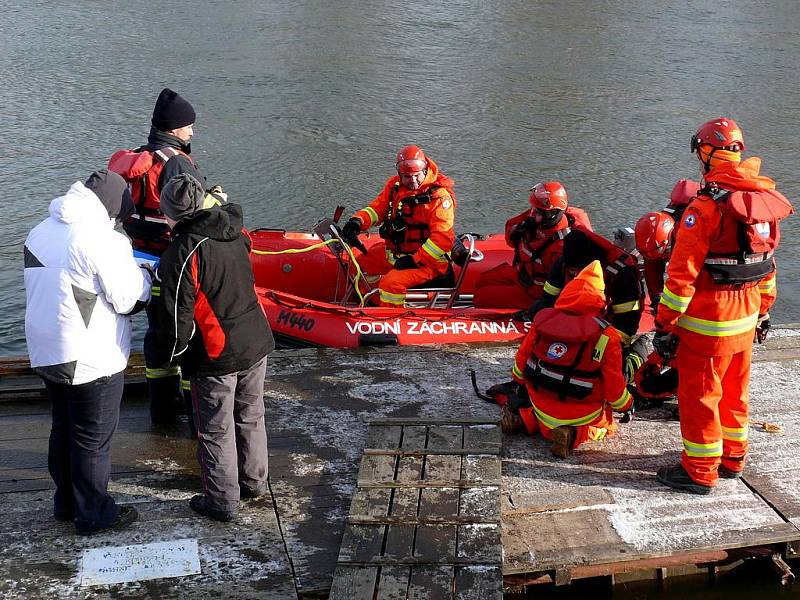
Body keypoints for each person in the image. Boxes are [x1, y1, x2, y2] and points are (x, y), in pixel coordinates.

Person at [654, 117, 793, 494]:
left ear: (707, 153)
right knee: (735, 390)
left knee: (701, 395)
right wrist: (764, 310)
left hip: (707, 321)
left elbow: (681, 274)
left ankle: (700, 470)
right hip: (746, 318)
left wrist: (665, 325)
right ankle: (733, 458)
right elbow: (767, 266)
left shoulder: (706, 207)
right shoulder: (759, 203)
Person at [24, 170, 151, 534]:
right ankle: (93, 514)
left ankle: (65, 503)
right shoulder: (102, 240)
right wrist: (145, 275)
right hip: (89, 356)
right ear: (112, 208)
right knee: (92, 440)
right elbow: (128, 298)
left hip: (45, 348)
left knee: (62, 428)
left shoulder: (40, 230)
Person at [146, 173, 275, 521]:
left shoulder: (182, 251)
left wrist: (169, 355)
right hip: (255, 340)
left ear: (173, 214)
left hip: (217, 354)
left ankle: (221, 501)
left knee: (215, 428)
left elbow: (176, 318)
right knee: (251, 415)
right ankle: (254, 481)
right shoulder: (234, 233)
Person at [108, 87, 205, 426]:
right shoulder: (176, 162)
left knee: (157, 335)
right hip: (172, 262)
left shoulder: (138, 159)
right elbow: (193, 212)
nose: (192, 132)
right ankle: (197, 414)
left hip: (139, 262)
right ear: (176, 128)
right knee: (187, 336)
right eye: (189, 126)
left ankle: (163, 409)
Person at [504, 261, 632, 457]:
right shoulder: (608, 336)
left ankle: (524, 419)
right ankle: (572, 435)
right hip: (582, 412)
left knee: (543, 415)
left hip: (540, 403)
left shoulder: (543, 320)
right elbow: (614, 391)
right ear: (600, 300)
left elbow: (521, 361)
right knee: (607, 427)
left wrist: (519, 382)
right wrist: (628, 404)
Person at [340, 145, 456, 306]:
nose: (413, 181)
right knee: (358, 265)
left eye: (416, 176)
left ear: (425, 170)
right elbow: (377, 209)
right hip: (397, 254)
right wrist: (357, 222)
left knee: (390, 284)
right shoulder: (395, 187)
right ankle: (372, 304)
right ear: (400, 174)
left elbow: (441, 240)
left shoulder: (439, 198)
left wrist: (415, 260)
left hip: (428, 263)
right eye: (407, 177)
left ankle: (389, 320)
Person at [528, 226, 647, 382]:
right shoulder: (563, 263)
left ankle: (638, 353)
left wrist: (594, 350)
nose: (576, 276)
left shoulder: (622, 273)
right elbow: (546, 303)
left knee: (606, 377)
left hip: (606, 330)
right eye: (572, 272)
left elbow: (625, 327)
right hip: (575, 325)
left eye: (579, 271)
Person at [473, 181, 592, 309]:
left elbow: (565, 290)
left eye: (538, 212)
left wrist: (539, 309)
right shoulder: (536, 221)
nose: (532, 214)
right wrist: (518, 229)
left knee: (481, 296)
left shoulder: (563, 247)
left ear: (552, 215)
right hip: (521, 275)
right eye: (533, 209)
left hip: (534, 294)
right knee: (481, 281)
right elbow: (510, 239)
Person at [635, 179, 701, 312]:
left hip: (698, 254)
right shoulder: (654, 234)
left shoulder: (690, 236)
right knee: (653, 261)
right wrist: (656, 299)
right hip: (666, 241)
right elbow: (652, 266)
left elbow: (685, 277)